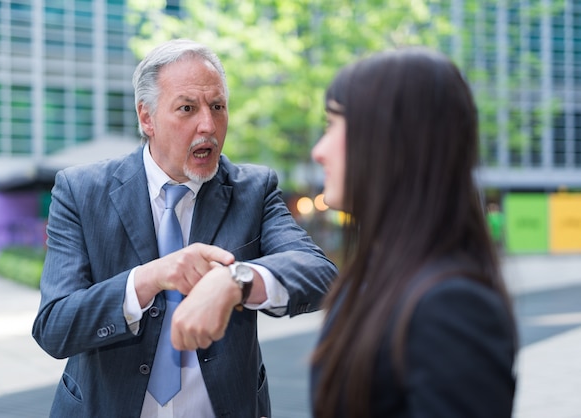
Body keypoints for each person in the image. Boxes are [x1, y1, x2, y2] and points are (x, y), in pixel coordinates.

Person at [32, 39, 337, 418]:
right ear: (147, 118)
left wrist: (236, 280)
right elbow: (55, 326)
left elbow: (321, 274)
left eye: (218, 107)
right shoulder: (81, 191)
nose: (208, 125)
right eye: (187, 108)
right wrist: (148, 279)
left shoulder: (253, 190)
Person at [309, 47, 517, 417]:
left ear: (391, 142)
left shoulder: (450, 307)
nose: (318, 151)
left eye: (333, 124)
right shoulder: (377, 276)